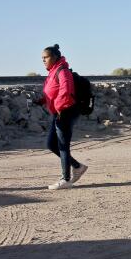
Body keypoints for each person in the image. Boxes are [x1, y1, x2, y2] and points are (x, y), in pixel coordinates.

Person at [41, 44, 88, 190]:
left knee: (62, 145)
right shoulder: (53, 72)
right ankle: (77, 167)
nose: (43, 60)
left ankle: (66, 179)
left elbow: (66, 91)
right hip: (59, 112)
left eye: (46, 57)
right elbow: (53, 91)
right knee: (52, 144)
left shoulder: (63, 70)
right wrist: (41, 101)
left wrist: (59, 108)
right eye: (42, 58)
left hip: (66, 112)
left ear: (55, 57)